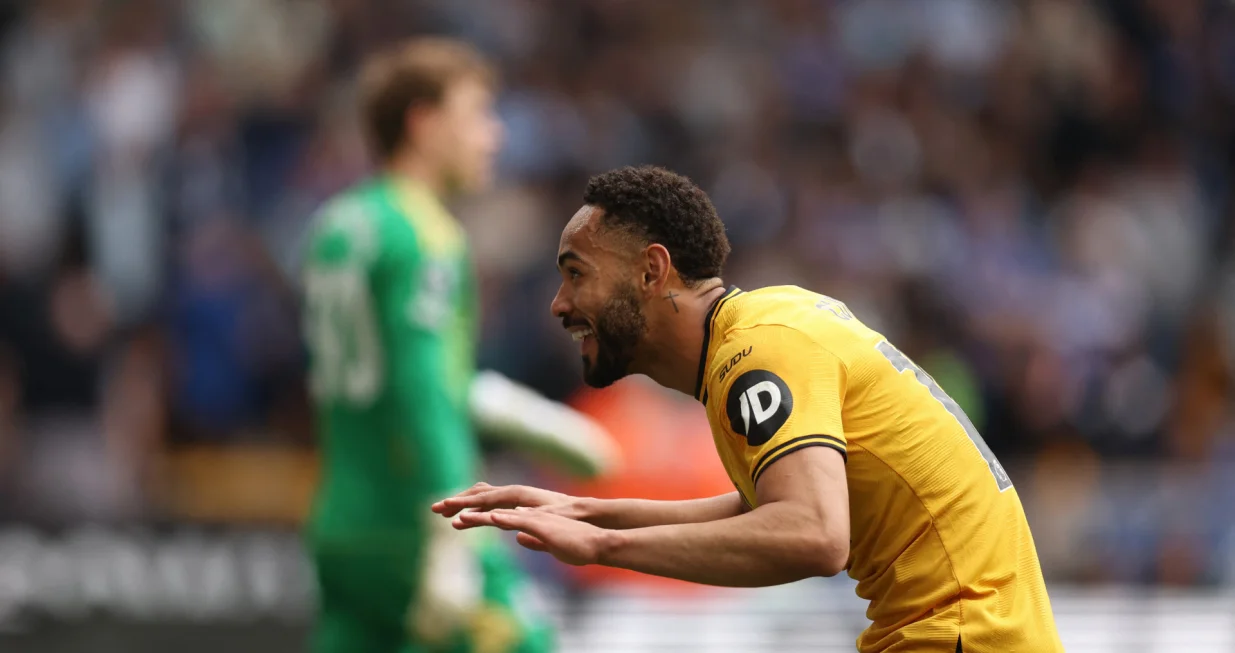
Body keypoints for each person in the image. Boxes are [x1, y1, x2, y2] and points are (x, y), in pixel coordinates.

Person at [433, 166, 1065, 653]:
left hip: (961, 635)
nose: (559, 303)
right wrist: (590, 511)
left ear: (653, 272)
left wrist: (602, 547)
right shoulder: (762, 327)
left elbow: (814, 535)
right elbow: (775, 508)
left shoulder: (754, 354)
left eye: (577, 274)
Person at [300, 39, 616, 653]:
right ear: (423, 122)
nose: (493, 135)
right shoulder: (425, 235)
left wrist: (506, 408)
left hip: (341, 517)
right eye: (477, 114)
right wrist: (454, 526)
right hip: (413, 520)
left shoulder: (338, 224)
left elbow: (388, 372)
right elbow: (420, 390)